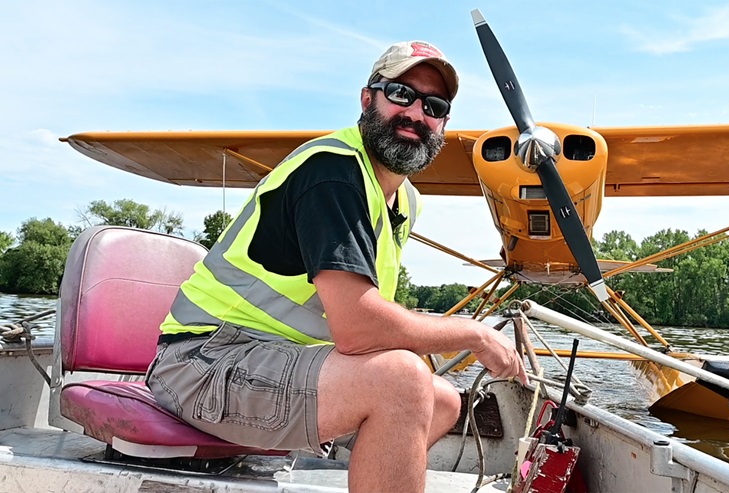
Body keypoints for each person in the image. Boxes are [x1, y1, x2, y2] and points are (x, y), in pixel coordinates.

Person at [146, 40, 527, 492]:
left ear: (443, 123)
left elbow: (371, 320)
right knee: (402, 382)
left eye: (434, 105)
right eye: (401, 94)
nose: (416, 113)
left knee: (441, 400)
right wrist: (474, 333)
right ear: (368, 99)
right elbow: (358, 329)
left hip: (276, 358)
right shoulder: (333, 170)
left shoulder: (402, 199)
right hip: (203, 362)